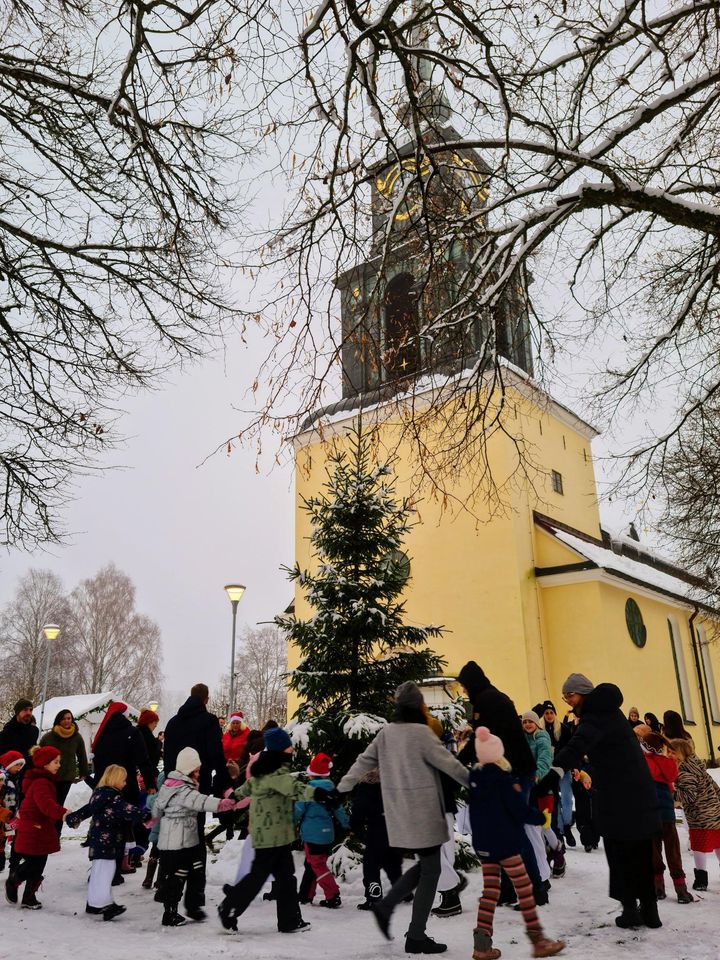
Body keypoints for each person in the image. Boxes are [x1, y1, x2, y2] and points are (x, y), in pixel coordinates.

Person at [337, 681, 470, 955]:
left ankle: (393, 913)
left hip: (397, 814)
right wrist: (479, 783)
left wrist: (341, 787)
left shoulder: (386, 733)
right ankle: (414, 934)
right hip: (423, 812)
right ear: (417, 706)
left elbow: (363, 761)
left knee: (426, 865)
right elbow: (451, 765)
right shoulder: (422, 733)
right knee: (431, 868)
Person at [546, 673, 661, 930]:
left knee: (619, 852)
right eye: (564, 696)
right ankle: (650, 911)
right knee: (640, 851)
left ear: (584, 694)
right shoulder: (610, 712)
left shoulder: (595, 716)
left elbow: (576, 747)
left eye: (571, 695)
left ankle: (631, 910)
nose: (567, 700)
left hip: (618, 797)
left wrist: (550, 776)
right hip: (636, 794)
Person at [468, 727, 565, 960]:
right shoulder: (503, 780)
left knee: (490, 891)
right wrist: (541, 818)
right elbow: (520, 810)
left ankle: (481, 946)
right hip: (505, 845)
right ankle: (538, 941)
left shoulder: (475, 780)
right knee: (524, 889)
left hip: (484, 845)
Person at [218, 726, 323, 934]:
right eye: (289, 746)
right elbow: (296, 789)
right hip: (271, 835)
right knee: (259, 877)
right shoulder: (276, 772)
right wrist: (321, 793)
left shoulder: (263, 768)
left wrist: (234, 796)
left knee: (286, 878)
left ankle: (289, 921)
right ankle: (229, 907)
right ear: (280, 749)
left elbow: (247, 787)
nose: (292, 749)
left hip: (275, 835)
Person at [457, 662, 543, 907]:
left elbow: (481, 738)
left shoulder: (487, 701)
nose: (463, 691)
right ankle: (508, 890)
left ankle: (535, 889)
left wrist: (459, 761)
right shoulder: (489, 697)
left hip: (514, 771)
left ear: (471, 683)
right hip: (511, 770)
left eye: (464, 686)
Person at [154, 746, 237, 926]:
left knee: (189, 871)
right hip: (180, 842)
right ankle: (170, 913)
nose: (199, 774)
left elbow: (156, 809)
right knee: (178, 875)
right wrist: (226, 804)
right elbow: (203, 802)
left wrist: (151, 823)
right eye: (197, 771)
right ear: (188, 771)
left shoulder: (168, 786)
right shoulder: (184, 791)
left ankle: (186, 907)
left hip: (175, 841)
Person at [67, 763, 151, 920]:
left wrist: (73, 818)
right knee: (105, 873)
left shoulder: (99, 794)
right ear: (115, 779)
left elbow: (87, 809)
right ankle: (103, 904)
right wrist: (145, 815)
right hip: (109, 841)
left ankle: (93, 903)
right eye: (123, 780)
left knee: (98, 872)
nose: (125, 783)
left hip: (99, 841)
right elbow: (128, 809)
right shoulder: (113, 798)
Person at [92, 701, 156, 879]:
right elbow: (143, 760)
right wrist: (150, 784)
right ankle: (118, 867)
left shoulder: (102, 734)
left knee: (104, 828)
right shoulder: (131, 733)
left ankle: (101, 867)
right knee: (123, 828)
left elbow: (96, 762)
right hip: (124, 785)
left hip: (103, 787)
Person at [5, 745, 68, 909]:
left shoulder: (45, 780)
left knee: (39, 864)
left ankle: (29, 897)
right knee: (34, 864)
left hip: (40, 828)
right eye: (55, 762)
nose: (58, 765)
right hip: (34, 828)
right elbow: (46, 805)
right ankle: (13, 880)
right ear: (45, 764)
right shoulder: (41, 782)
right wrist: (63, 813)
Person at [639, 732, 693, 903]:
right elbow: (671, 780)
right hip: (667, 815)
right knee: (673, 851)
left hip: (650, 815)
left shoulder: (644, 762)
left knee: (654, 851)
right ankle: (681, 891)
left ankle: (658, 889)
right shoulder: (667, 763)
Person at [296, 752, 349, 908]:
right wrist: (347, 825)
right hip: (327, 835)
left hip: (312, 835)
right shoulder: (332, 791)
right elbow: (339, 811)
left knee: (317, 865)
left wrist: (289, 823)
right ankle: (305, 895)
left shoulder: (308, 790)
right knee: (311, 864)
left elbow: (298, 810)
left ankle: (333, 894)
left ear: (311, 774)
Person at [669, 737, 720, 892]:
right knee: (718, 844)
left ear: (680, 754)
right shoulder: (698, 766)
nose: (669, 755)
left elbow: (689, 797)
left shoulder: (684, 772)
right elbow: (715, 787)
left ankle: (701, 880)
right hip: (715, 813)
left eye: (671, 752)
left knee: (699, 848)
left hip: (699, 817)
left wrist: (672, 795)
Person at [349, 768, 403, 910]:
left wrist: (355, 826)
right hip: (393, 829)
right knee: (392, 862)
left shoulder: (365, 788)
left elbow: (359, 809)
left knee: (371, 864)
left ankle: (374, 895)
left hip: (376, 829)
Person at [163, 683, 229, 799]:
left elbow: (167, 753)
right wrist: (224, 779)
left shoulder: (172, 722)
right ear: (206, 700)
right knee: (197, 814)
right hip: (200, 780)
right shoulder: (210, 721)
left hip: (175, 781)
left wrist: (168, 776)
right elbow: (215, 752)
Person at [522, 711, 565, 881]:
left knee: (545, 825)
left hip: (544, 785)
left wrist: (537, 775)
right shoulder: (523, 739)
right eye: (524, 722)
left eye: (530, 722)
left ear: (536, 723)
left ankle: (557, 852)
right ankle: (542, 865)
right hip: (530, 787)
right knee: (535, 827)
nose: (527, 725)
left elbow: (545, 758)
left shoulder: (542, 737)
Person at [534, 700, 575, 846]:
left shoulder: (563, 729)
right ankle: (560, 831)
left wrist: (575, 767)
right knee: (554, 803)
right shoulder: (540, 731)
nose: (549, 715)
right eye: (546, 713)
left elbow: (571, 749)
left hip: (563, 769)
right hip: (548, 771)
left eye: (551, 713)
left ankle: (567, 825)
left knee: (567, 800)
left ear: (555, 714)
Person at [39, 709, 89, 815]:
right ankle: (48, 829)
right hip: (49, 777)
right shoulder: (49, 737)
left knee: (59, 804)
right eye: (64, 719)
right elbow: (39, 755)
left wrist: (83, 772)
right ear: (58, 720)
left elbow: (82, 756)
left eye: (69, 718)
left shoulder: (77, 737)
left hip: (66, 776)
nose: (67, 721)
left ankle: (57, 831)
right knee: (48, 804)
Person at [0, 751, 25, 872]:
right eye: (17, 765)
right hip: (3, 815)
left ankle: (11, 863)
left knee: (8, 837)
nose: (19, 768)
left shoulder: (14, 778)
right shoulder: (2, 778)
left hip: (11, 816)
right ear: (9, 764)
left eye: (21, 765)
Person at [0, 699, 39, 768]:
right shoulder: (6, 733)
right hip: (12, 775)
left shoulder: (34, 731)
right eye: (25, 710)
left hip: (29, 774)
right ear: (17, 712)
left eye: (30, 710)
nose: (29, 713)